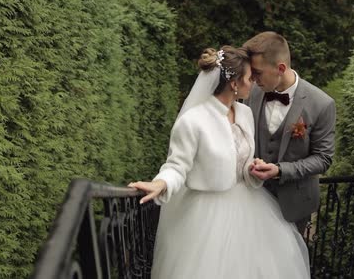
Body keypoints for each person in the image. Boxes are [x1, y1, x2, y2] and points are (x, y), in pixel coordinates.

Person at [129, 45, 310, 279]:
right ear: (234, 83)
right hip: (206, 216)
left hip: (250, 209)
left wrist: (251, 169)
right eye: (249, 78)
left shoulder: (245, 114)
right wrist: (161, 183)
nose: (253, 82)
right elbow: (177, 165)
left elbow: (239, 160)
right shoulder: (192, 121)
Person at [243, 31, 336, 234]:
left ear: (281, 68)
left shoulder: (321, 104)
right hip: (252, 197)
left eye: (257, 72)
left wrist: (280, 170)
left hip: (294, 205)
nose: (252, 78)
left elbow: (323, 158)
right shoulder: (252, 92)